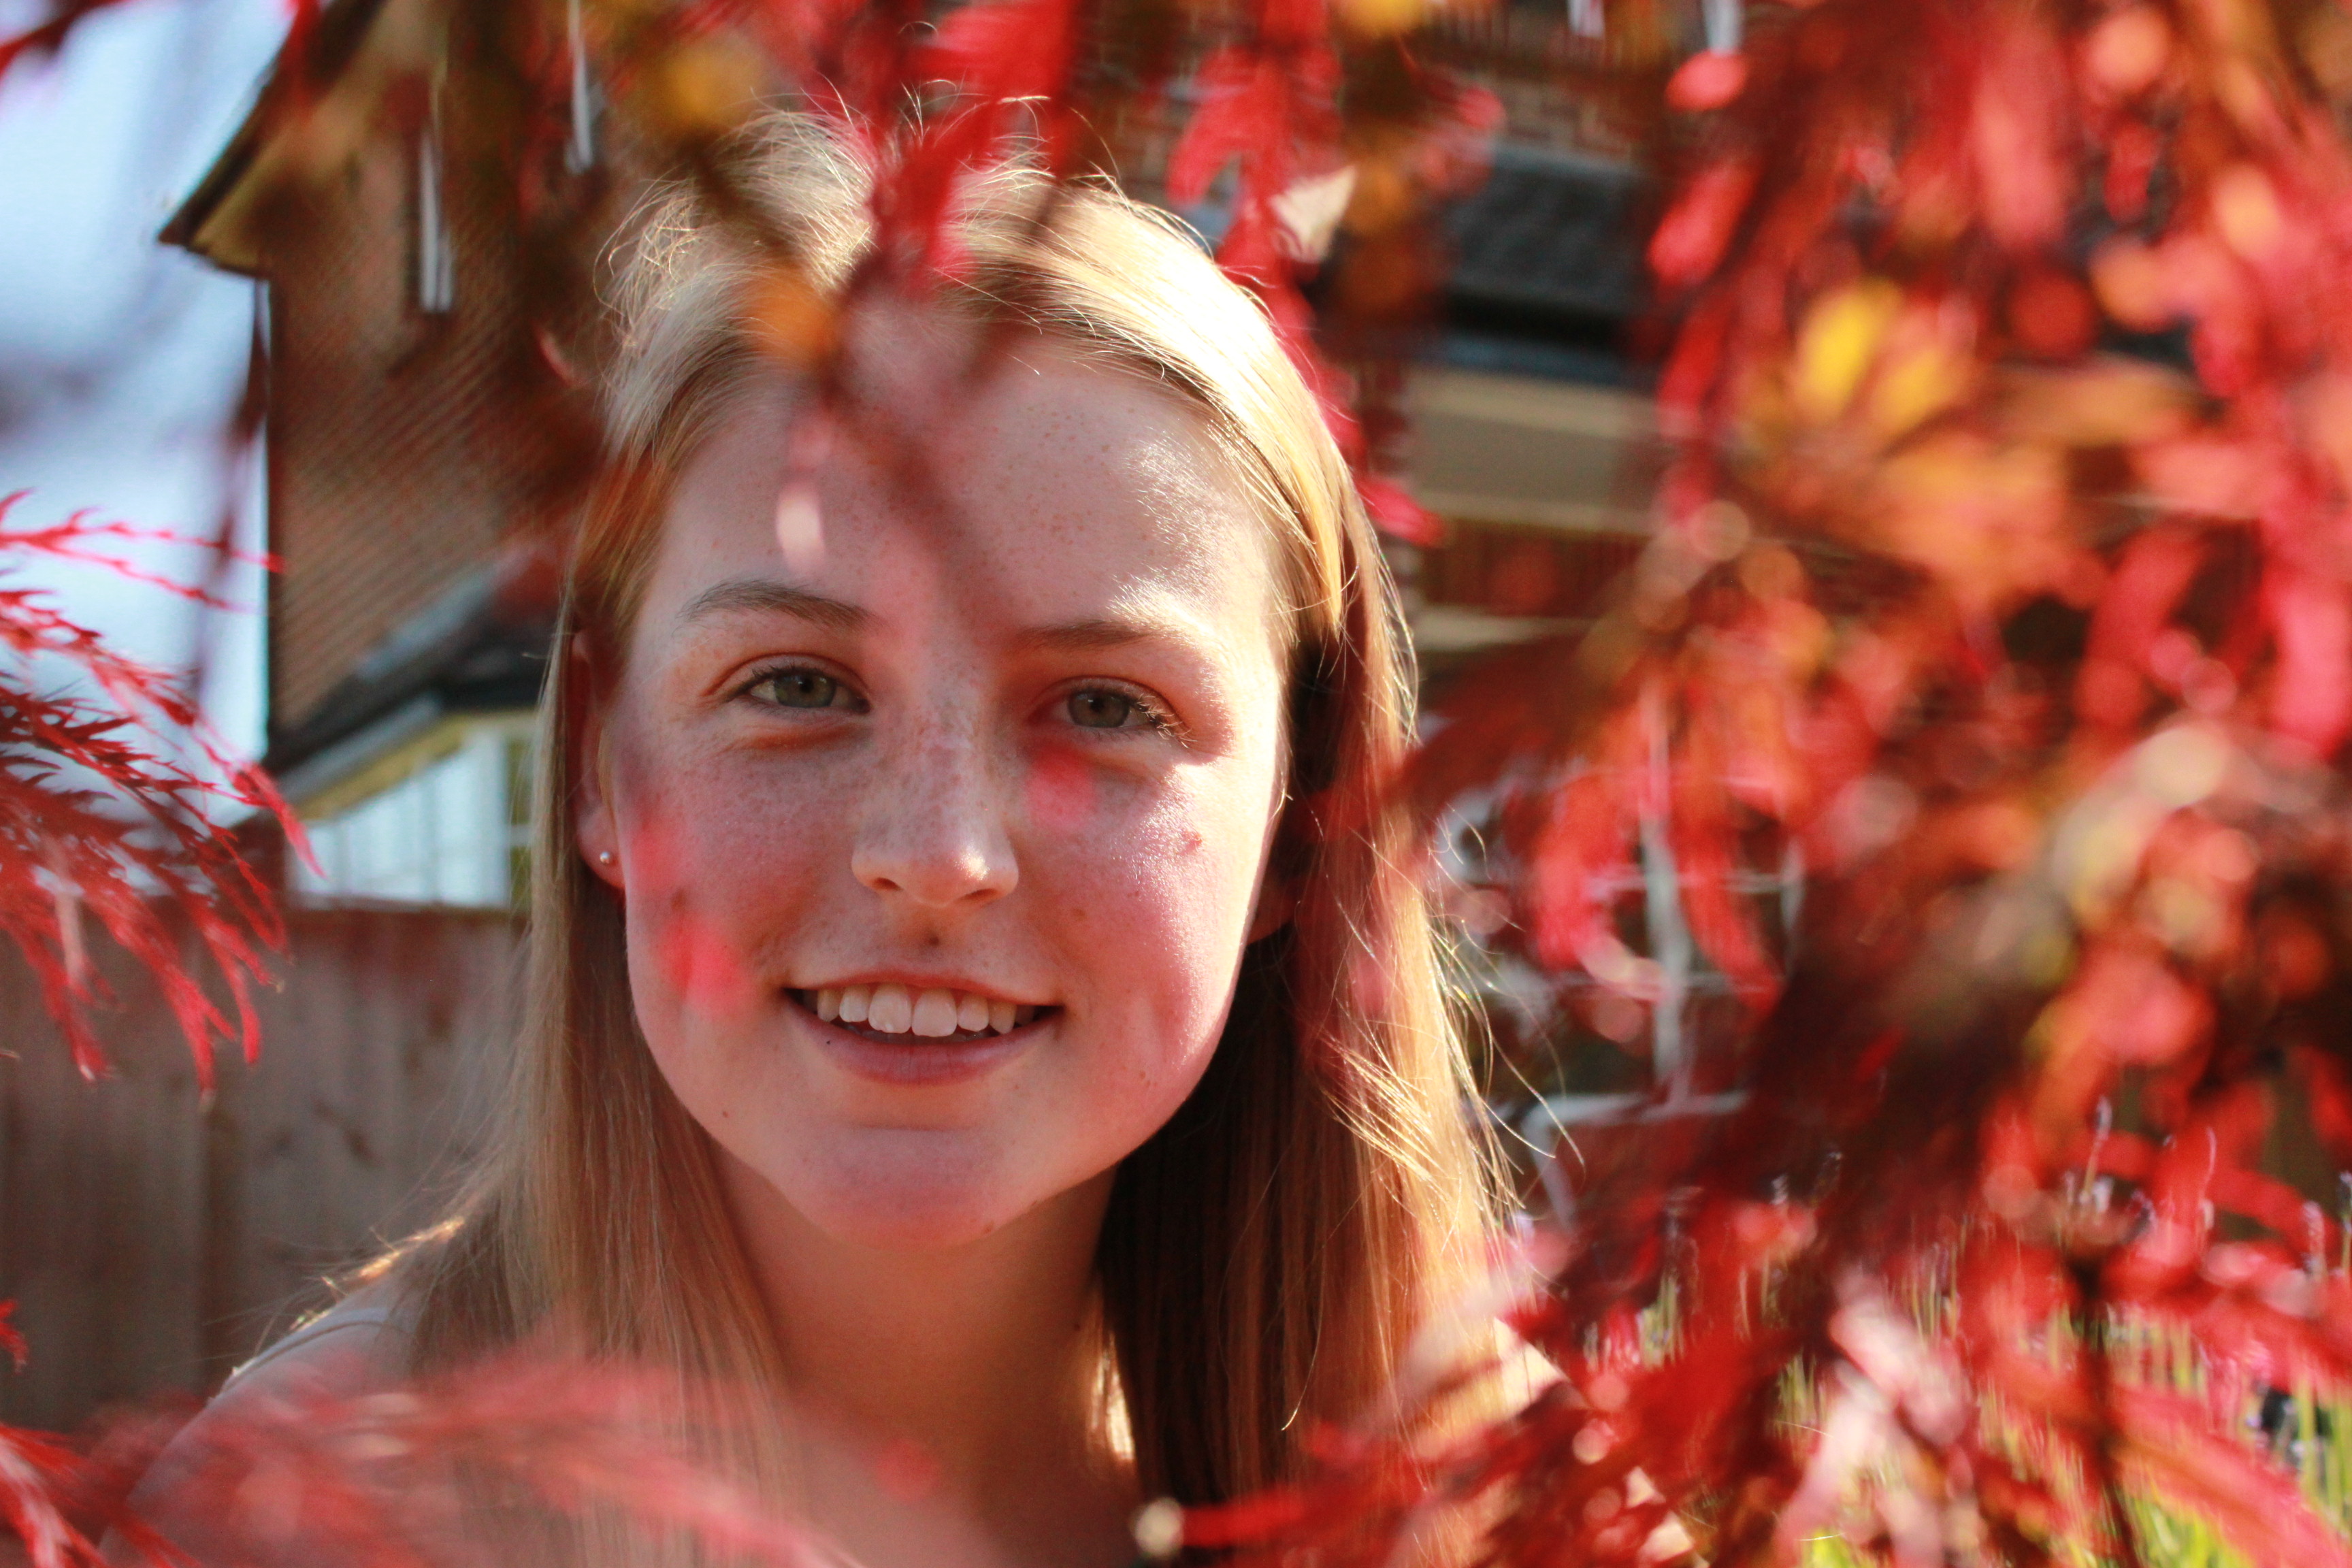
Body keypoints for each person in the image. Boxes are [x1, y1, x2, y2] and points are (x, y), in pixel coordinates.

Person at [125, 114, 1507, 1568]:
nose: (935, 852)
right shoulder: (296, 1521)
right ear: (601, 759)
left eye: (1107, 705)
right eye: (794, 685)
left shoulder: (1487, 1509)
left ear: (1300, 830)